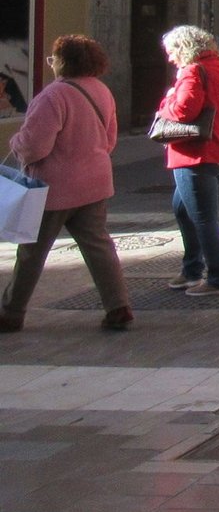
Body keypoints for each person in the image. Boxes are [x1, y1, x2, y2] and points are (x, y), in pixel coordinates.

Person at [0, 35, 130, 332]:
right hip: (95, 183)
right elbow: (109, 139)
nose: (51, 64)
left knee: (32, 251)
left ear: (64, 62)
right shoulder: (101, 90)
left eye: (53, 59)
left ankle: (11, 312)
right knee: (99, 247)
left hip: (53, 189)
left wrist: (16, 142)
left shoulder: (53, 96)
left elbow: (35, 146)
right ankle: (118, 306)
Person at [158, 25, 219, 296]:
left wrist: (166, 101)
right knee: (183, 209)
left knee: (203, 218)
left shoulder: (193, 72)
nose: (170, 58)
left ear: (185, 48)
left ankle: (218, 278)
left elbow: (183, 110)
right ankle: (191, 270)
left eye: (172, 52)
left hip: (196, 154)